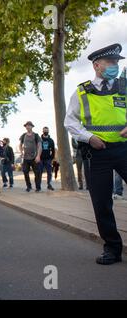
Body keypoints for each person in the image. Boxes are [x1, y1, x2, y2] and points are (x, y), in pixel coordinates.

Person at [64, 43, 127, 265]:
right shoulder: (81, 91)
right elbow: (70, 121)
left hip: (124, 148)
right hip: (96, 152)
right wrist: (89, 137)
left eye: (117, 63)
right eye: (111, 63)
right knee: (101, 202)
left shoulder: (125, 85)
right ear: (97, 65)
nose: (115, 66)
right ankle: (112, 248)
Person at [19, 121, 42, 192]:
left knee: (37, 173)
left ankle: (38, 187)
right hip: (26, 158)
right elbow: (20, 145)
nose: (28, 127)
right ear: (25, 127)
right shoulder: (23, 135)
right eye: (26, 125)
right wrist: (21, 152)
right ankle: (29, 186)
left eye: (29, 125)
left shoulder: (36, 135)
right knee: (25, 172)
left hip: (34, 157)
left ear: (32, 126)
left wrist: (38, 156)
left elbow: (39, 146)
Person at [39, 127, 56, 191]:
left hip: (48, 159)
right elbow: (37, 148)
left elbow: (53, 150)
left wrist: (52, 158)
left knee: (49, 172)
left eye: (47, 131)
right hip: (40, 159)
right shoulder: (39, 140)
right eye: (44, 131)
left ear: (48, 131)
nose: (46, 132)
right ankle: (39, 186)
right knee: (39, 172)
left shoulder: (51, 140)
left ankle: (49, 184)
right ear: (42, 131)